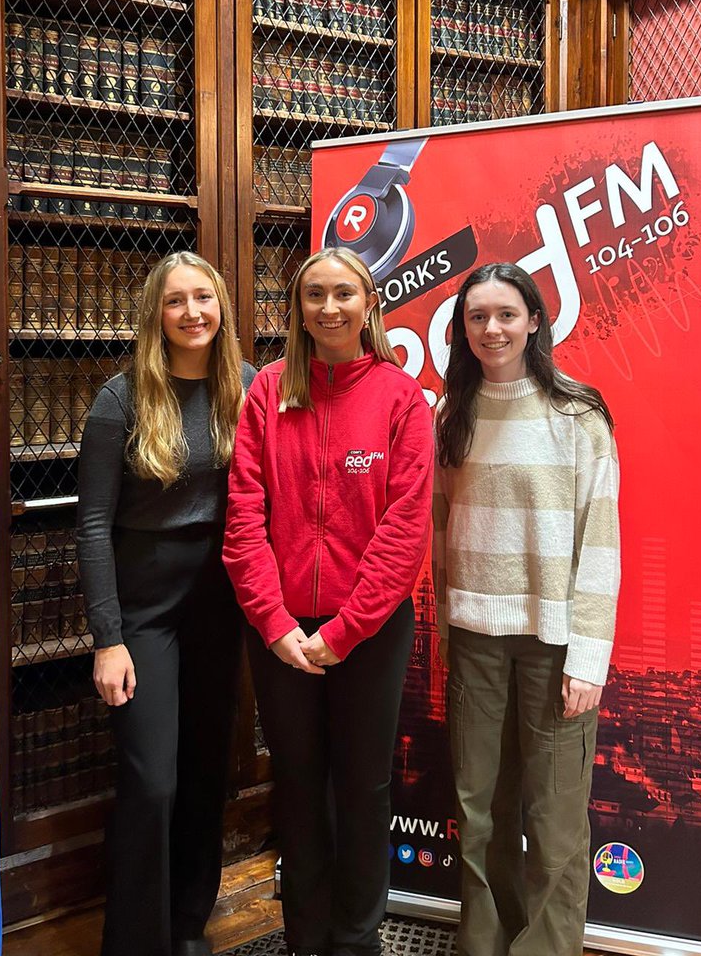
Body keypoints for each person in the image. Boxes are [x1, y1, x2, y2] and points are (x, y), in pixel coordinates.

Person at [222, 247, 433, 956]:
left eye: (345, 293)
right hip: (280, 633)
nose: (330, 307)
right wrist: (276, 624)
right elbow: (244, 518)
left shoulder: (402, 398)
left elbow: (405, 530)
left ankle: (356, 939)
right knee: (300, 787)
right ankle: (304, 937)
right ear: (299, 309)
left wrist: (344, 631)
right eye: (315, 295)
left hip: (369, 631)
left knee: (365, 789)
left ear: (370, 304)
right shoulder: (269, 392)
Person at [432, 262, 620, 956]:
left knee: (556, 821)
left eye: (506, 314)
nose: (492, 329)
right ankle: (485, 944)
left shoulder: (578, 414)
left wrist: (589, 658)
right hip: (474, 641)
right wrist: (447, 635)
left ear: (536, 320)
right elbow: (441, 531)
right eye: (477, 317)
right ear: (463, 329)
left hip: (555, 644)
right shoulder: (449, 414)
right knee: (478, 812)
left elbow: (600, 541)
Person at [76, 251, 256, 956]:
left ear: (221, 308)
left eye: (203, 298)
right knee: (152, 781)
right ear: (156, 313)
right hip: (143, 609)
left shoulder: (245, 386)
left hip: (220, 602)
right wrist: (107, 636)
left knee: (208, 772)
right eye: (176, 301)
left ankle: (188, 929)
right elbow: (92, 524)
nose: (192, 313)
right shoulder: (120, 400)